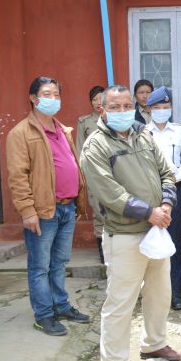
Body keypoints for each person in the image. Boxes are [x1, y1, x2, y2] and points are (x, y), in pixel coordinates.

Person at [80, 85, 180, 361]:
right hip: (124, 234)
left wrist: (166, 204)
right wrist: (149, 212)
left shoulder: (143, 135)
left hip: (155, 231)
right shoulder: (95, 146)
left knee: (160, 292)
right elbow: (110, 193)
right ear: (102, 110)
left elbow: (167, 173)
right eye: (115, 107)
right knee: (120, 302)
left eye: (127, 106)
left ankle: (154, 343)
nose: (123, 111)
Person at [6, 76, 89, 337]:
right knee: (40, 266)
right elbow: (18, 177)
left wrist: (78, 201)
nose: (53, 99)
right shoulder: (21, 133)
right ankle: (43, 315)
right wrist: (27, 211)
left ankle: (61, 306)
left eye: (56, 94)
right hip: (43, 211)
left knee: (59, 262)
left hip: (66, 208)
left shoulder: (62, 129)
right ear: (33, 99)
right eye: (46, 94)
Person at [145, 86, 181, 310]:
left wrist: (172, 179)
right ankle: (152, 293)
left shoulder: (180, 131)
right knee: (148, 240)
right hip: (149, 192)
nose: (162, 111)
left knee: (174, 241)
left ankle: (175, 292)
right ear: (149, 109)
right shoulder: (142, 133)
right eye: (157, 107)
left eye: (165, 107)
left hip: (175, 191)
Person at [77, 84, 106, 263]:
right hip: (94, 173)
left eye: (101, 98)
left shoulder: (115, 119)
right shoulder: (84, 122)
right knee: (98, 211)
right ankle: (102, 249)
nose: (98, 102)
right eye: (94, 99)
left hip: (115, 173)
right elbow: (80, 149)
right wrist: (83, 174)